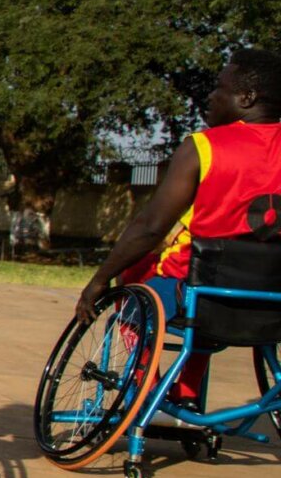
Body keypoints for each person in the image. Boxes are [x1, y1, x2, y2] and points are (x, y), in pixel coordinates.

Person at [77, 54, 281, 401]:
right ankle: (187, 389)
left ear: (246, 98)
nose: (211, 96)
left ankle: (145, 388)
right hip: (272, 299)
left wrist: (99, 280)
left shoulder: (204, 146)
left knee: (134, 283)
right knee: (213, 289)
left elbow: (150, 228)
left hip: (200, 295)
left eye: (220, 88)